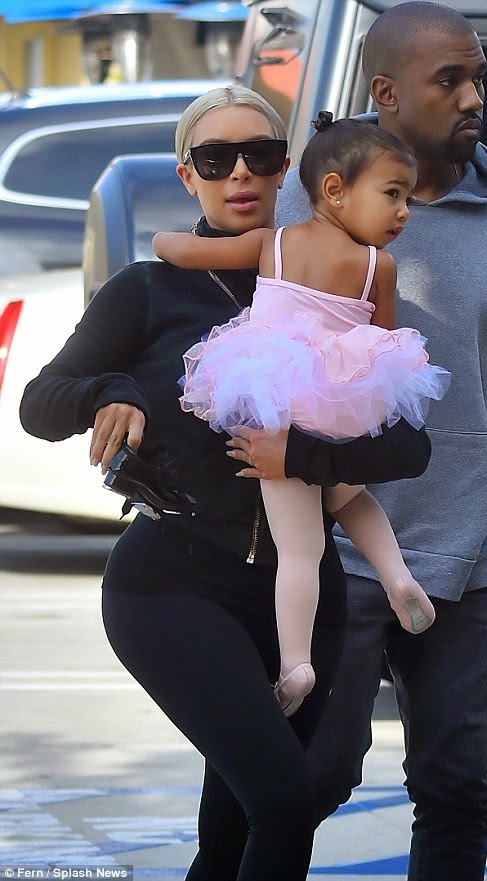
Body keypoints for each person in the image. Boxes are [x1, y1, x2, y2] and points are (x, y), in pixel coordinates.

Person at [18, 85, 433, 881]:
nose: (239, 173)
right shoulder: (148, 288)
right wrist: (109, 392)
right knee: (284, 799)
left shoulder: (341, 274)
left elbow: (409, 445)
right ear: (187, 176)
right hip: (172, 582)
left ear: (287, 170)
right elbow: (40, 402)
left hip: (299, 596)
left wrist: (299, 455)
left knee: (239, 829)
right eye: (215, 159)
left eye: (259, 155)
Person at [273, 3, 487, 879]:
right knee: (306, 779)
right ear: (386, 94)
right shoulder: (311, 200)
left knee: (457, 790)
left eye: (479, 78)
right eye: (449, 81)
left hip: (474, 555)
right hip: (339, 545)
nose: (475, 97)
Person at [152, 112, 449, 716]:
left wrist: (159, 240)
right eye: (393, 195)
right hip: (342, 404)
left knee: (299, 549)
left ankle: (295, 664)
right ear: (335, 190)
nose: (403, 213)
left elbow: (188, 251)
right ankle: (398, 577)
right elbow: (384, 343)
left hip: (274, 398)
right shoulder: (378, 267)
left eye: (405, 199)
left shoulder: (275, 243)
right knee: (349, 500)